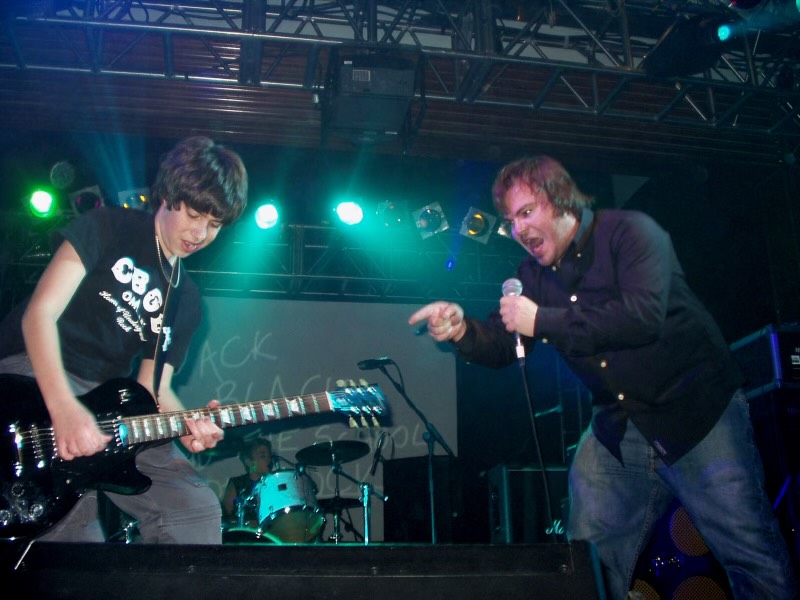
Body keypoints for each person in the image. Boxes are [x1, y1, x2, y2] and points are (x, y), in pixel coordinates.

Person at [408, 156, 798, 599]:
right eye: (510, 220)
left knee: (753, 557)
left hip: (696, 414)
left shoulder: (630, 234)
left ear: (560, 201)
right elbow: (504, 341)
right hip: (619, 428)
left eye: (526, 212)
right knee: (585, 564)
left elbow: (640, 318)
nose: (517, 230)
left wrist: (545, 321)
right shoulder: (532, 276)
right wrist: (462, 330)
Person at [0, 135, 248, 544]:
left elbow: (153, 389)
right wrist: (63, 408)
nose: (200, 233)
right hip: (32, 379)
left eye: (214, 224)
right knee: (76, 540)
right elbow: (38, 316)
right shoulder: (108, 227)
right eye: (194, 214)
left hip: (107, 403)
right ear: (168, 195)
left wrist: (190, 425)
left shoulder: (186, 299)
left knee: (194, 509)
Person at [221, 437, 274, 529]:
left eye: (269, 456)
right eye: (262, 456)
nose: (268, 460)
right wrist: (245, 523)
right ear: (249, 462)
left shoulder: (274, 483)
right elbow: (225, 516)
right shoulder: (237, 483)